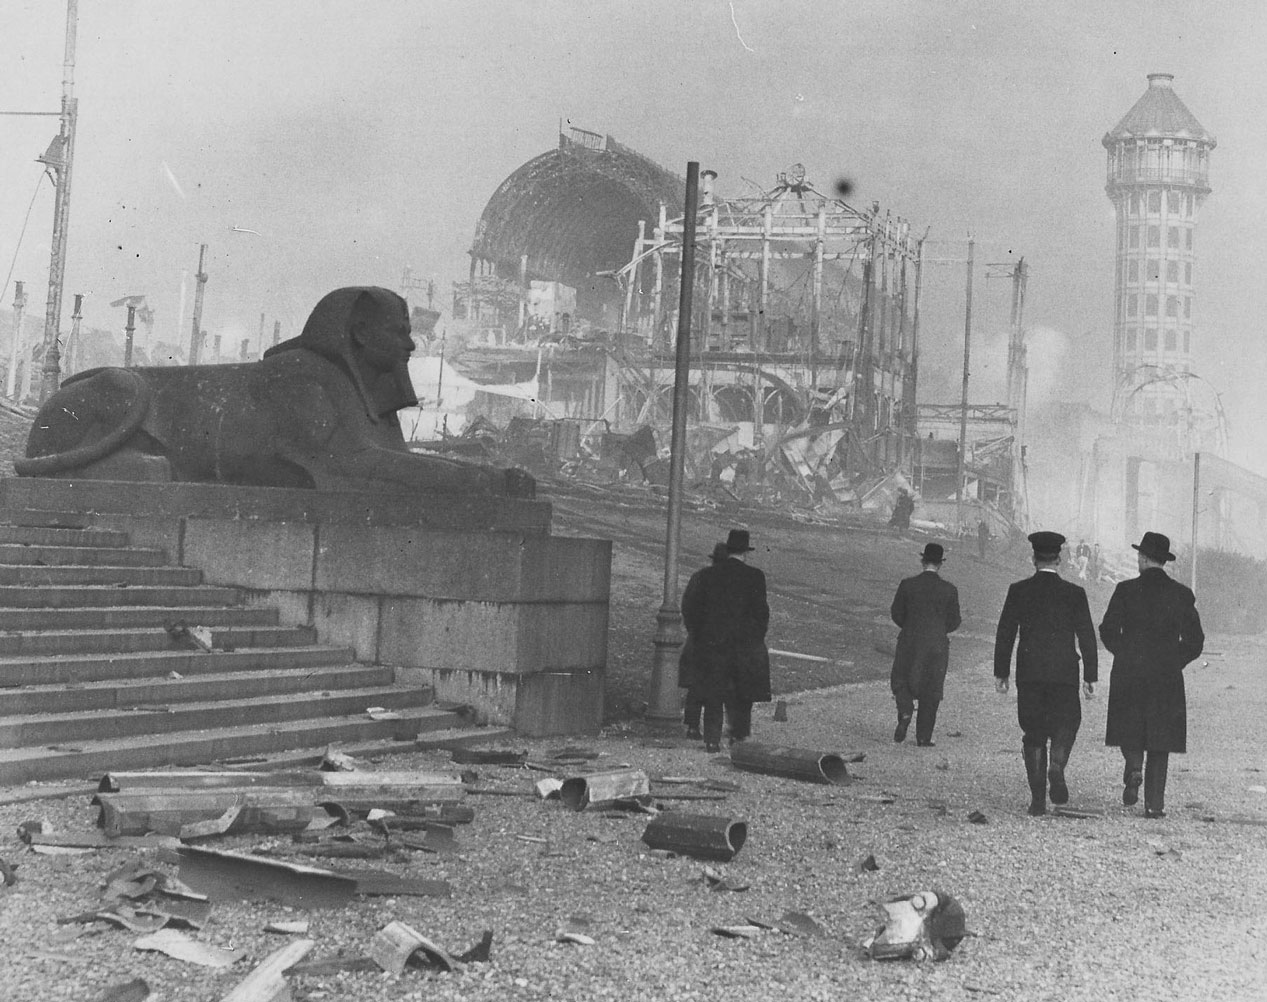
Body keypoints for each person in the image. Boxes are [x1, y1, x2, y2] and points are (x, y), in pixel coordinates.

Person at [1098, 531, 1204, 818]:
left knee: (1129, 726)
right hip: (1166, 676)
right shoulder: (1182, 595)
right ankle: (1154, 805)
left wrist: (1124, 653)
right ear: (1163, 561)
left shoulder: (1124, 590)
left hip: (1129, 672)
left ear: (1143, 558)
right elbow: (1196, 642)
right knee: (1161, 738)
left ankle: (1133, 767)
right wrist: (1174, 661)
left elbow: (1107, 630)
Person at [994, 531, 1098, 816]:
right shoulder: (1075, 594)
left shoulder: (1018, 590)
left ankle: (1037, 800)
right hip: (1064, 672)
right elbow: (1087, 636)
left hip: (1030, 672)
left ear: (1033, 559)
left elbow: (1005, 633)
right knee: (1068, 722)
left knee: (1033, 732)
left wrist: (1000, 672)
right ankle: (1057, 764)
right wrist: (1091, 675)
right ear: (1061, 559)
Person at [680, 528, 771, 752]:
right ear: (745, 553)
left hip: (712, 644)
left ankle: (712, 739)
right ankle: (738, 737)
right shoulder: (755, 576)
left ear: (728, 550)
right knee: (742, 692)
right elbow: (761, 614)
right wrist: (755, 638)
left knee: (713, 691)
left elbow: (692, 610)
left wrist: (699, 635)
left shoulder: (706, 576)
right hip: (744, 645)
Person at [889, 542, 961, 747]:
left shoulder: (907, 585)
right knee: (932, 688)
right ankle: (923, 737)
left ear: (923, 561)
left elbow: (896, 613)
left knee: (900, 678)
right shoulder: (949, 590)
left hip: (909, 640)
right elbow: (955, 621)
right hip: (937, 645)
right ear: (940, 564)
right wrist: (938, 630)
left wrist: (910, 627)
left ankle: (905, 710)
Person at [679, 542, 731, 740]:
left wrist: (694, 630)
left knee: (696, 685)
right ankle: (713, 736)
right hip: (722, 644)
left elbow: (687, 606)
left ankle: (692, 726)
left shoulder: (699, 577)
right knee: (717, 690)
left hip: (699, 640)